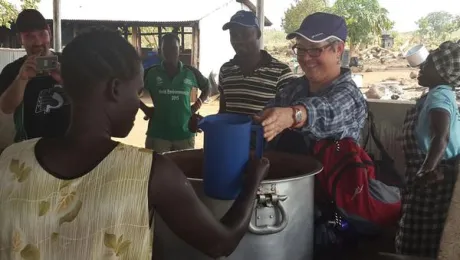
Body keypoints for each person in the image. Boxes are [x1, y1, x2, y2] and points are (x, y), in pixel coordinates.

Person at [0, 27, 269, 259]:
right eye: (137, 90)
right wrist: (252, 184)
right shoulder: (149, 172)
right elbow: (221, 243)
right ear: (115, 89)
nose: (138, 101)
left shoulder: (11, 159)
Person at [254, 12, 367, 151]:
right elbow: (265, 119)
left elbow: (329, 112)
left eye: (315, 49)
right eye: (301, 49)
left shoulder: (350, 95)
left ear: (338, 50)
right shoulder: (294, 88)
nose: (306, 58)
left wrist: (293, 116)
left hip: (330, 172)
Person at [395, 41, 460, 258]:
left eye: (429, 63)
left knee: (417, 243)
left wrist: (426, 170)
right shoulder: (440, 93)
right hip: (432, 177)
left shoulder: (439, 96)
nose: (422, 66)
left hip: (433, 181)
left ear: (442, 72)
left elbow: (441, 136)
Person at [0, 9, 70, 142]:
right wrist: (21, 79)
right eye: (29, 36)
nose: (38, 42)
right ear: (20, 39)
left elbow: (89, 99)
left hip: (69, 144)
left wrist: (65, 79)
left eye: (42, 34)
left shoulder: (69, 62)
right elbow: (6, 108)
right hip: (28, 146)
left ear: (49, 32)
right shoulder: (12, 70)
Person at [140, 33, 209, 153]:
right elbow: (129, 90)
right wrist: (145, 109)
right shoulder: (151, 73)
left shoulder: (190, 72)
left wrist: (195, 106)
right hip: (158, 135)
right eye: (165, 49)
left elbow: (207, 86)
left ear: (180, 49)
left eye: (173, 48)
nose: (169, 52)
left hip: (184, 134)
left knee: (183, 169)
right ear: (160, 51)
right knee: (157, 169)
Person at [219, 10, 296, 116]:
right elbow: (223, 113)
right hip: (231, 133)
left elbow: (287, 118)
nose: (238, 40)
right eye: (233, 35)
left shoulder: (282, 73)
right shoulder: (225, 70)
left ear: (258, 34)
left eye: (245, 34)